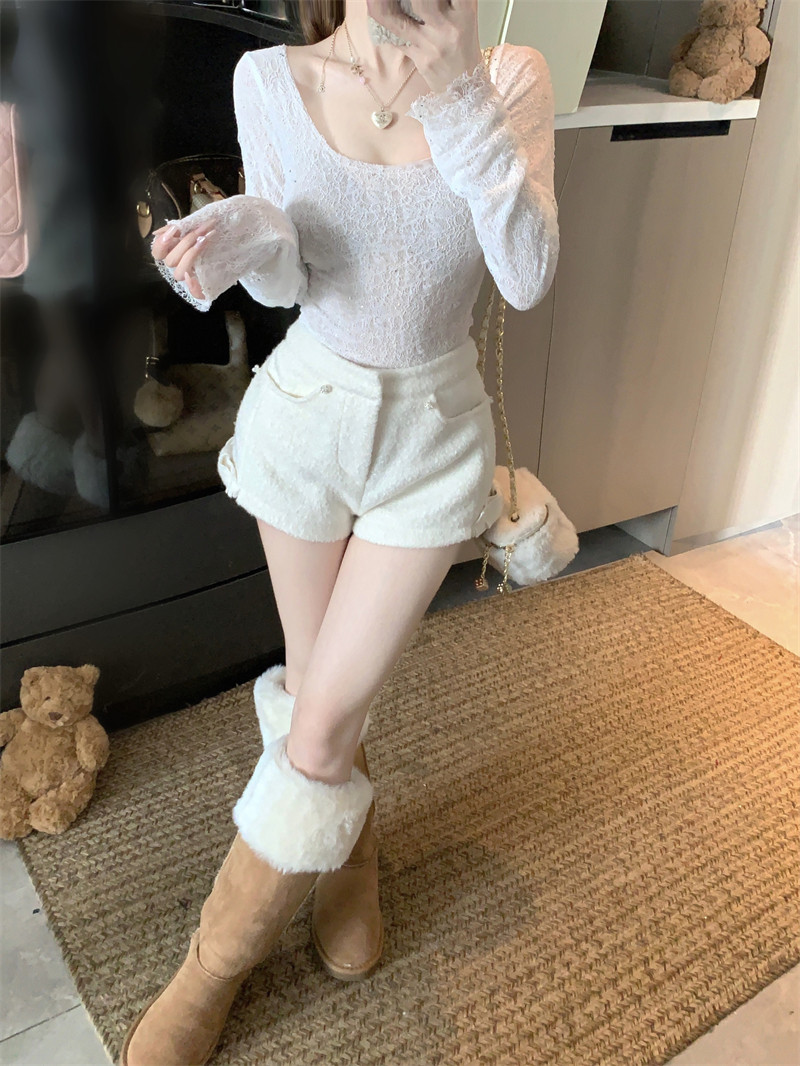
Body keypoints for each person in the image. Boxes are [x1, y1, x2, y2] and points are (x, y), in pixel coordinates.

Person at [119, 1, 559, 1063]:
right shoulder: (270, 80)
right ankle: (350, 854)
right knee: (324, 692)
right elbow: (291, 288)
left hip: (433, 439)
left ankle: (210, 968)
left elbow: (527, 275)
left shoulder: (510, 78)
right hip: (306, 424)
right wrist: (257, 241)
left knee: (315, 728)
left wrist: (458, 97)